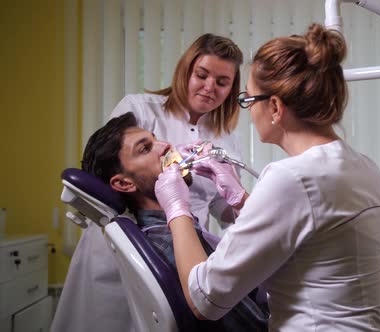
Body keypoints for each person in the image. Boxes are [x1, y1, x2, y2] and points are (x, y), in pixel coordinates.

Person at [156, 24, 380, 332]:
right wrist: (240, 200)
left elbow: (204, 299)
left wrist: (177, 207)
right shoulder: (362, 166)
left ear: (274, 107)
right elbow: (301, 236)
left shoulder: (291, 178)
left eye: (247, 99)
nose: (247, 111)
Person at [51, 33, 244, 332]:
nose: (209, 88)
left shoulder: (226, 139)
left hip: (185, 257)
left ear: (232, 88)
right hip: (124, 251)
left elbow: (227, 213)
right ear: (185, 71)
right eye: (202, 75)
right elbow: (104, 170)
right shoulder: (140, 110)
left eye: (222, 82)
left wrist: (236, 193)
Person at [78, 112, 269, 331]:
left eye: (155, 138)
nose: (166, 146)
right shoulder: (168, 245)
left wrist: (239, 200)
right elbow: (256, 326)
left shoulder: (168, 232)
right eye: (145, 148)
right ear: (124, 184)